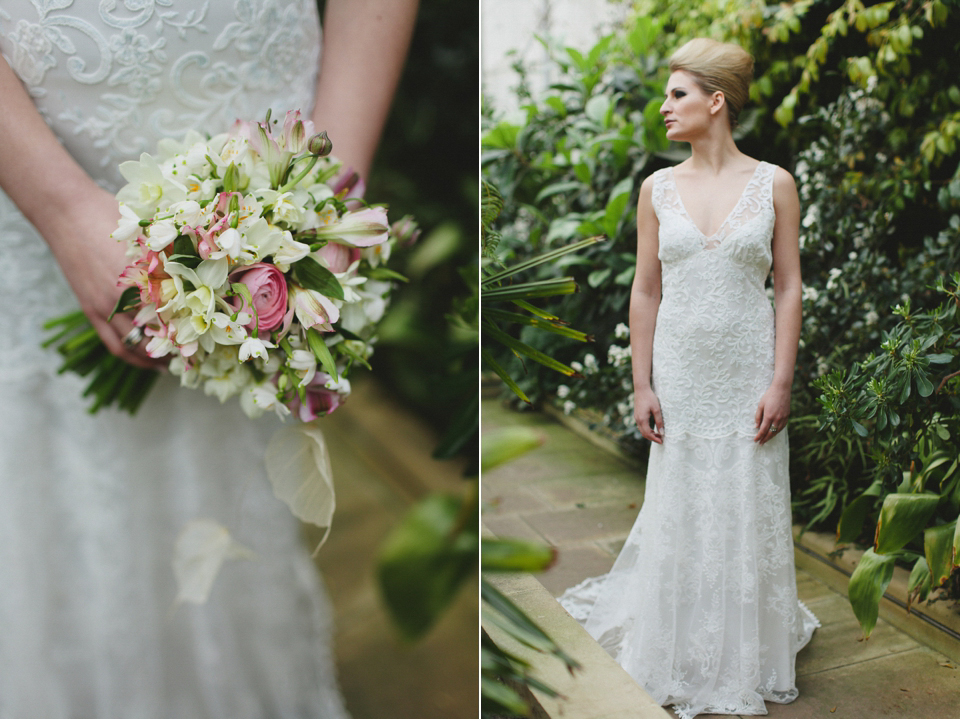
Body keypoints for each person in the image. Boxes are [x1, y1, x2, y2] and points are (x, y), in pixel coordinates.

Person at [0, 0, 416, 715]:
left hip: (274, 139)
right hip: (34, 161)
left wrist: (326, 201)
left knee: (220, 476)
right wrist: (60, 207)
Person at [559, 38, 819, 718]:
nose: (664, 106)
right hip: (679, 368)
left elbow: (789, 288)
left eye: (677, 94)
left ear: (716, 100)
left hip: (746, 367)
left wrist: (782, 380)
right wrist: (642, 383)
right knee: (682, 494)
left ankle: (746, 641)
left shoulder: (776, 184)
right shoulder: (655, 189)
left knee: (745, 489)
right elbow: (645, 291)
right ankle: (676, 634)